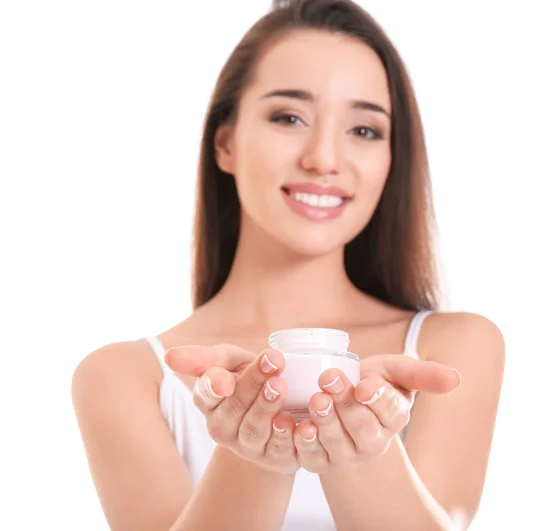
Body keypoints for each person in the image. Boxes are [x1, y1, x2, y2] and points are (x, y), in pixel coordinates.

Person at [71, 0, 505, 529]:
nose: (324, 158)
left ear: (393, 158)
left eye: (365, 130)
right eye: (289, 117)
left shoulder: (450, 351)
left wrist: (362, 453)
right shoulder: (124, 376)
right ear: (226, 142)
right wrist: (253, 453)